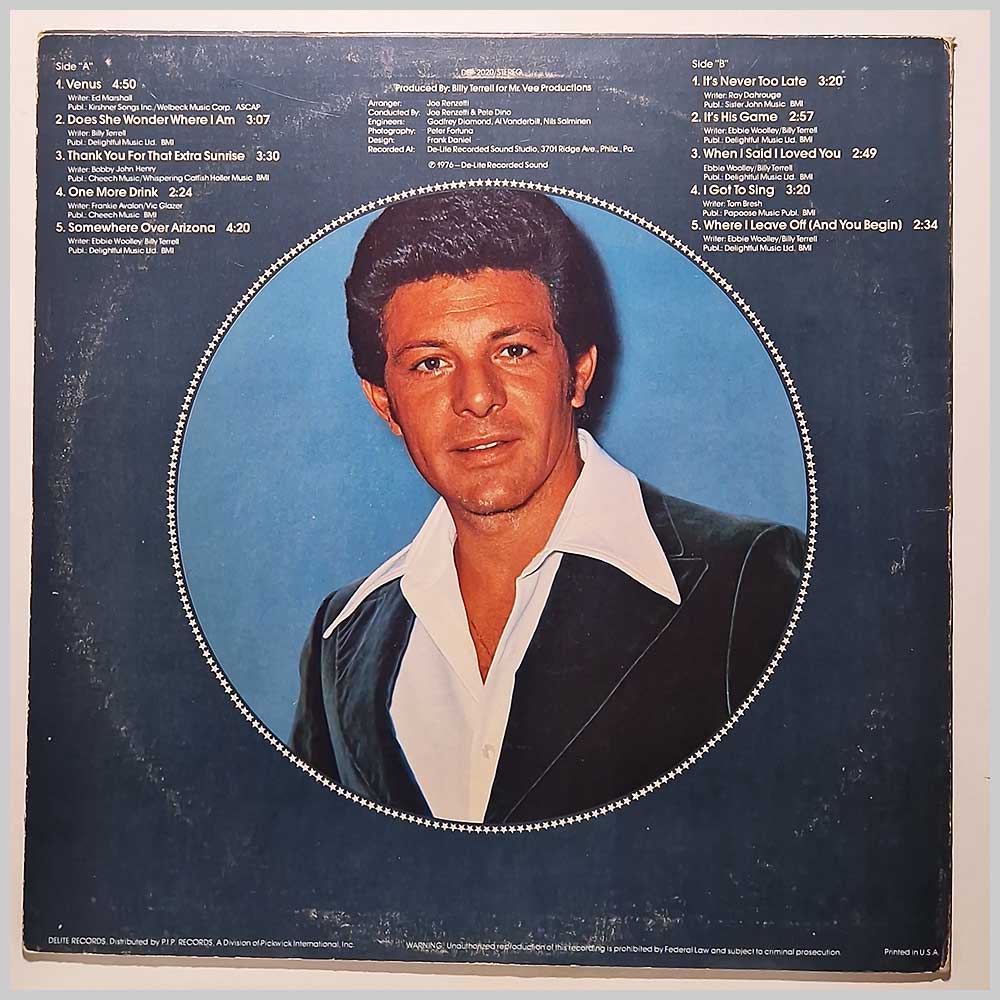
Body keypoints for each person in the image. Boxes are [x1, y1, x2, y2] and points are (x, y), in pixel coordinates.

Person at [292, 188, 805, 825]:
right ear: (384, 403)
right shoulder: (342, 638)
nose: (476, 397)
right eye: (430, 363)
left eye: (513, 350)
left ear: (578, 373)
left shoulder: (751, 582)